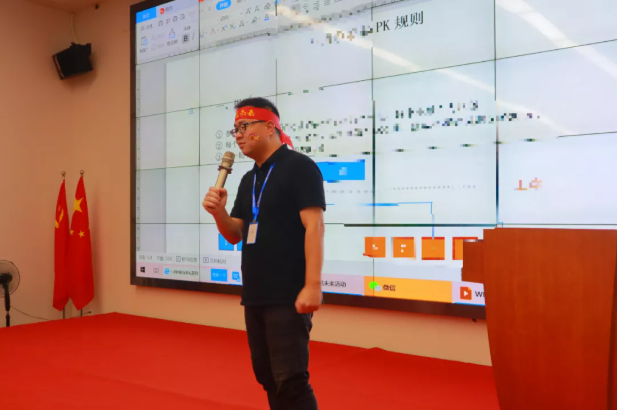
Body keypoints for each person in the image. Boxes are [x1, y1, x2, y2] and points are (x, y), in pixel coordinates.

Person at [202, 97, 325, 410]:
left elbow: (314, 226)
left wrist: (313, 285)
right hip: (256, 293)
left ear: (270, 127)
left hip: (288, 293)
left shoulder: (299, 167)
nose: (239, 135)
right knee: (268, 377)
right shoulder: (249, 179)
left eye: (245, 126)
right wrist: (218, 213)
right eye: (235, 130)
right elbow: (235, 233)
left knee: (291, 381)